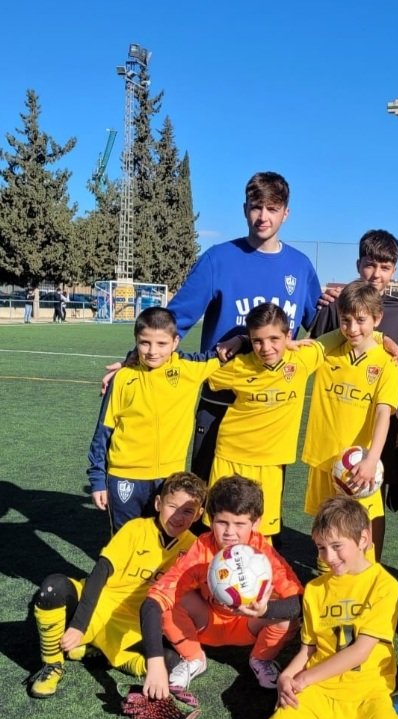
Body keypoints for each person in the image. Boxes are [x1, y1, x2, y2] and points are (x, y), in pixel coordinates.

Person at [103, 172, 321, 482]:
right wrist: (133, 358)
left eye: (272, 209)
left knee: (261, 502)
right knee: (204, 495)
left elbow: (320, 328)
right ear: (245, 209)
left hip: (271, 410)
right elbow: (174, 320)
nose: (263, 217)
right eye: (256, 207)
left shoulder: (300, 267)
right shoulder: (218, 259)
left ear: (286, 213)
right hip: (220, 399)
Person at [256, 496, 398, 719]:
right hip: (319, 692)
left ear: (363, 539)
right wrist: (287, 676)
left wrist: (304, 679)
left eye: (336, 546)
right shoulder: (316, 589)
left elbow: (360, 651)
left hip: (367, 694)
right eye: (321, 548)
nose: (328, 557)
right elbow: (308, 648)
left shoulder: (383, 584)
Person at [27, 472, 205, 698]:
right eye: (172, 506)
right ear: (158, 504)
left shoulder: (193, 548)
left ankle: (100, 650)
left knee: (172, 663)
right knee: (53, 589)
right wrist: (79, 624)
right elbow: (99, 574)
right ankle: (52, 664)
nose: (178, 516)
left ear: (198, 515)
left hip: (133, 625)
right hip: (98, 605)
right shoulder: (135, 529)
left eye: (187, 511)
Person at [142, 475, 303, 695]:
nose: (230, 532)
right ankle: (193, 658)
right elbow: (152, 602)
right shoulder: (201, 549)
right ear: (210, 519)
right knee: (169, 601)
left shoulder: (263, 554)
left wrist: (265, 610)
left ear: (256, 523)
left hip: (250, 626)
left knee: (286, 618)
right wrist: (155, 664)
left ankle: (261, 659)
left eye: (240, 524)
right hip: (207, 626)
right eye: (222, 522)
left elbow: (300, 603)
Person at [207, 302, 336, 540]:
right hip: (230, 457)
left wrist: (381, 339)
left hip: (271, 463)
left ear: (288, 335)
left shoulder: (302, 359)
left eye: (274, 339)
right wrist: (241, 340)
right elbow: (197, 371)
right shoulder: (238, 365)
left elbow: (339, 336)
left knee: (262, 535)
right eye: (257, 341)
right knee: (222, 532)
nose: (266, 348)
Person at [309, 229, 398, 520]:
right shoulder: (336, 303)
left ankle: (371, 550)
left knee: (372, 489)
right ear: (358, 265)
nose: (376, 274)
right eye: (369, 265)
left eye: (385, 267)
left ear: (394, 270)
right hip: (338, 420)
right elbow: (316, 348)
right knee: (331, 502)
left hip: (380, 415)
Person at [88, 307, 221, 533]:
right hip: (124, 476)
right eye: (144, 343)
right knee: (126, 540)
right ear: (135, 342)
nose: (152, 351)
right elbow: (103, 432)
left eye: (161, 344)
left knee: (166, 539)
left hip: (169, 476)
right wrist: (98, 479)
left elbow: (228, 354)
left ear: (175, 342)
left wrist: (241, 339)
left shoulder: (189, 369)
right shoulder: (122, 378)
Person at [302, 282, 398, 559]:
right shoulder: (328, 351)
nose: (352, 328)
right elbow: (298, 352)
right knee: (326, 533)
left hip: (359, 468)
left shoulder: (386, 362)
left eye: (361, 320)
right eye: (346, 320)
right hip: (324, 460)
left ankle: (363, 583)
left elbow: (383, 414)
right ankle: (327, 579)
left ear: (377, 319)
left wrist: (372, 460)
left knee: (360, 538)